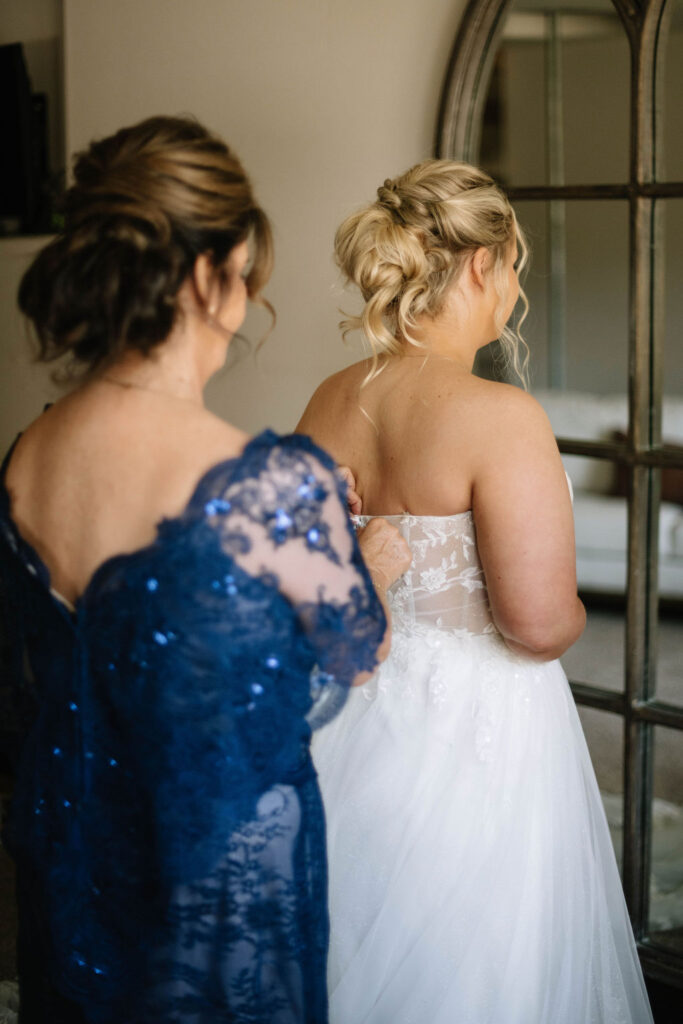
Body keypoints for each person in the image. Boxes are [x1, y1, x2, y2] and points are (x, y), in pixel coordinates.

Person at [0, 115, 411, 1024]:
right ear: (204, 274)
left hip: (68, 880)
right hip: (214, 909)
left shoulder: (26, 452)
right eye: (245, 273)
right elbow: (350, 652)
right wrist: (368, 557)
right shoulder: (270, 486)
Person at [296, 159, 654, 1023]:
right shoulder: (500, 416)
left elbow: (302, 586)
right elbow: (535, 625)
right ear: (483, 265)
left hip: (341, 713)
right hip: (477, 732)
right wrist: (572, 611)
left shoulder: (327, 402)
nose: (515, 285)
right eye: (516, 264)